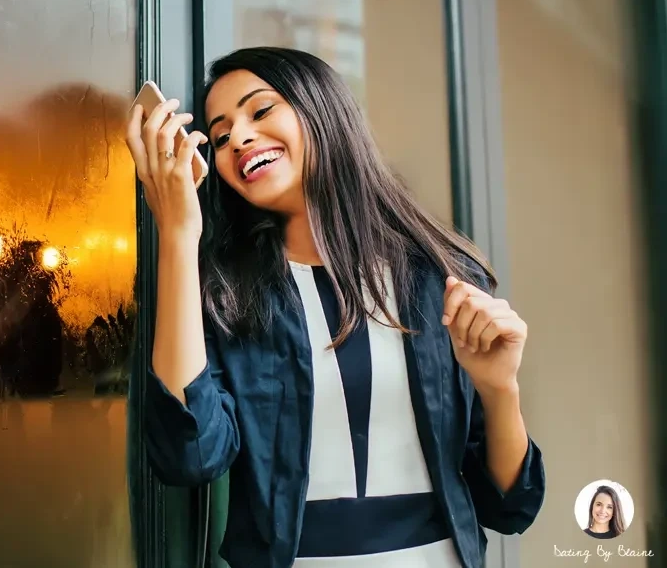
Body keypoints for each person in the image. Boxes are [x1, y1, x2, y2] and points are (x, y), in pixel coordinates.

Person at [126, 47, 545, 568]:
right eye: (220, 136)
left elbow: (510, 506)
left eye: (259, 112)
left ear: (322, 109)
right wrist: (178, 232)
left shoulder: (441, 278)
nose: (240, 139)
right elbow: (191, 454)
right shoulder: (230, 296)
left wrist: (500, 388)